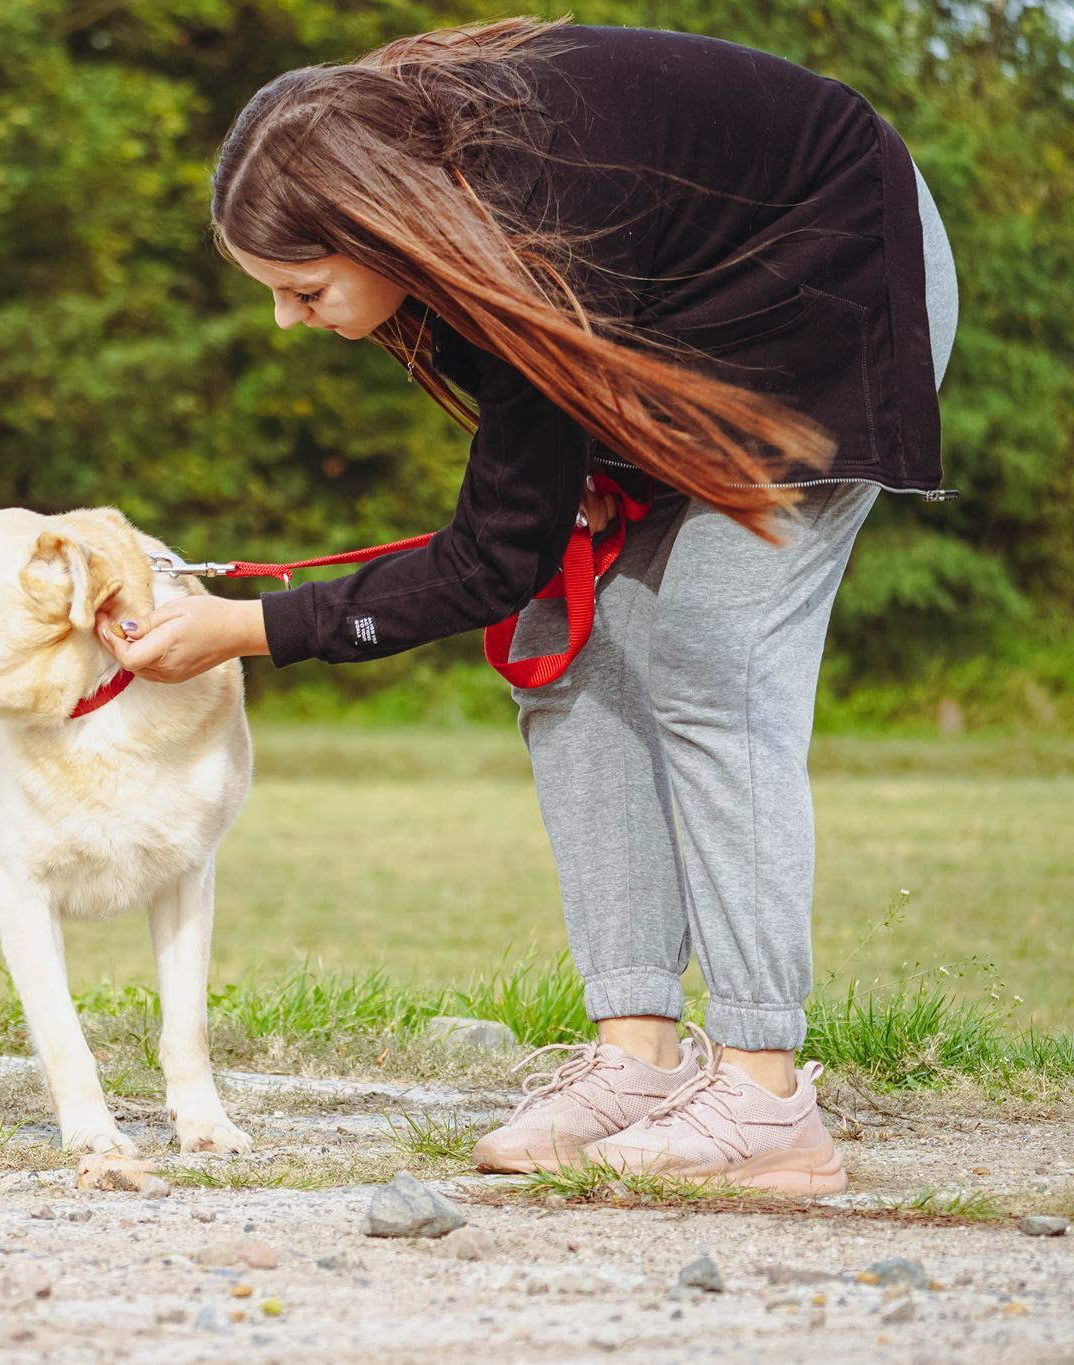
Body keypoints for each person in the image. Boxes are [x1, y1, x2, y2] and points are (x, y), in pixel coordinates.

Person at [95, 19, 958, 1195]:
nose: (286, 325)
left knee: (707, 655)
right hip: (674, 305)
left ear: (369, 225)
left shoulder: (539, 225)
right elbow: (518, 554)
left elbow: (491, 554)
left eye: (302, 290)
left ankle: (765, 1101)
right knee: (573, 647)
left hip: (833, 267)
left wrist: (249, 629)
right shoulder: (457, 210)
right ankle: (635, 1060)